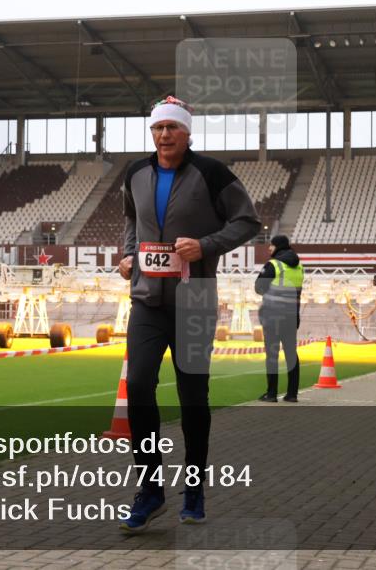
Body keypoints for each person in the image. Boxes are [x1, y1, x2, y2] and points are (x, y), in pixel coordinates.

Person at [117, 96, 260, 533]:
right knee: (138, 386)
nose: (164, 135)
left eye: (172, 128)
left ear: (187, 133)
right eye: (158, 128)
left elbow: (247, 221)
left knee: (193, 398)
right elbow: (131, 220)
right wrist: (128, 256)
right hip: (146, 301)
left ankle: (194, 490)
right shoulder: (135, 173)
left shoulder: (212, 173)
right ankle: (150, 490)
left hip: (194, 299)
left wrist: (206, 246)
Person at [254, 234, 303, 403]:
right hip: (291, 317)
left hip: (273, 317)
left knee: (272, 356)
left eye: (272, 245)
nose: (269, 248)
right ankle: (292, 394)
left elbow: (259, 287)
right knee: (291, 355)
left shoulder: (274, 265)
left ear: (278, 247)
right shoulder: (299, 267)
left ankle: (272, 394)